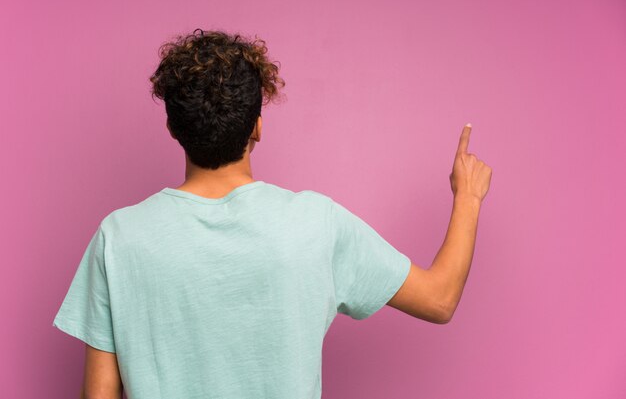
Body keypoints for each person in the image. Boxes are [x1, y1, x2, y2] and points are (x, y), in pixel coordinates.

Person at [52, 28, 492, 399]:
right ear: (258, 125)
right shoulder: (315, 224)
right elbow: (439, 298)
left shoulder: (119, 238)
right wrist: (468, 196)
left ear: (173, 127)